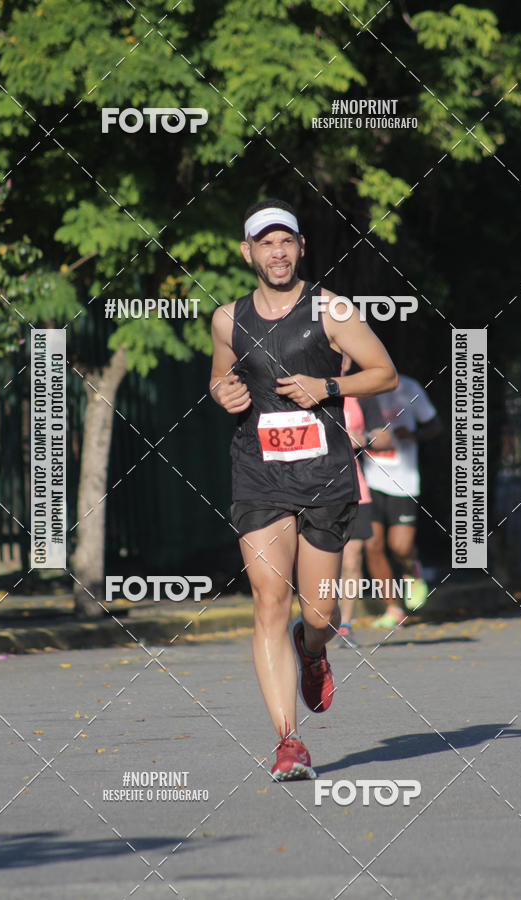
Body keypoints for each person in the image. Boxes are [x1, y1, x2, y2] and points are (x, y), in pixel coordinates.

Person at [209, 198, 397, 780]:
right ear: (248, 253)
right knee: (268, 598)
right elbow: (219, 375)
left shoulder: (332, 308)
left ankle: (312, 649)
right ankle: (288, 741)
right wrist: (222, 393)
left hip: (324, 474)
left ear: (300, 247)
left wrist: (328, 385)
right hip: (259, 472)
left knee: (319, 611)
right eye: (265, 243)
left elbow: (383, 372)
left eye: (285, 241)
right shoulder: (227, 318)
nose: (277, 252)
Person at [362, 375, 443, 629]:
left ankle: (412, 569)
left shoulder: (410, 387)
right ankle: (393, 608)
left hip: (403, 480)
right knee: (372, 544)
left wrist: (414, 434)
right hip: (369, 478)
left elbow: (435, 425)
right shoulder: (361, 387)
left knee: (400, 546)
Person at [335, 365, 393, 649]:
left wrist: (364, 439)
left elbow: (384, 438)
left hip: (354, 486)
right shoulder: (307, 387)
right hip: (312, 487)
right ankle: (316, 620)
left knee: (352, 557)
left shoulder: (360, 391)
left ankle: (345, 625)